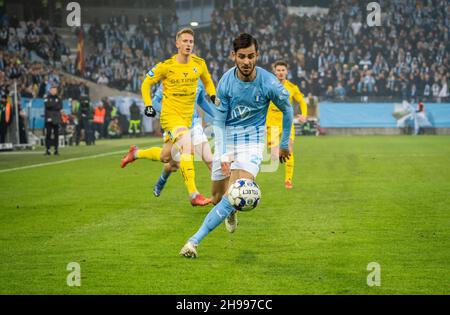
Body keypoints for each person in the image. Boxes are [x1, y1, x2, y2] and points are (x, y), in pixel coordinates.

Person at [179, 33, 294, 258]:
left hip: (252, 141)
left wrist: (283, 144)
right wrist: (222, 154)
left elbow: (288, 109)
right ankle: (231, 210)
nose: (247, 61)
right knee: (217, 198)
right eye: (242, 56)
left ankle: (193, 242)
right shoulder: (226, 82)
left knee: (236, 190)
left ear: (257, 55)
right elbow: (219, 121)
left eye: (251, 56)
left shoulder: (269, 82)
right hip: (227, 138)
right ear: (234, 56)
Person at [120, 28, 216, 206]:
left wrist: (213, 95)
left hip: (188, 119)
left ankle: (136, 153)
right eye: (185, 41)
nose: (188, 44)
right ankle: (193, 194)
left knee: (167, 157)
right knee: (187, 147)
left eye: (191, 42)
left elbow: (208, 81)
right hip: (171, 117)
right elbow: (146, 83)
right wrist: (149, 105)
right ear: (177, 43)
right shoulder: (166, 66)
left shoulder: (199, 64)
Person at [125, 81, 215, 198]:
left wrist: (216, 115)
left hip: (194, 125)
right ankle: (155, 173)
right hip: (175, 125)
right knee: (170, 162)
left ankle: (221, 201)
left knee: (210, 161)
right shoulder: (170, 77)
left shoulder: (198, 78)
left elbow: (201, 100)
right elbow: (155, 103)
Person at [266, 60, 308, 189]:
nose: (280, 72)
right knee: (274, 156)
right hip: (271, 123)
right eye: (278, 70)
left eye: (283, 70)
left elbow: (302, 102)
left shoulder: (292, 87)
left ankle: (288, 180)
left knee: (289, 151)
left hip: (286, 123)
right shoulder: (268, 85)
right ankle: (277, 153)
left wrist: (304, 115)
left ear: (286, 72)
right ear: (274, 71)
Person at [44, 84, 62, 155]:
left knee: (56, 134)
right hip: (48, 118)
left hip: (56, 119)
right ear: (50, 91)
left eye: (55, 90)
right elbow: (47, 105)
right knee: (48, 134)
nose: (54, 91)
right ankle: (47, 149)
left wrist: (52, 105)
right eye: (52, 90)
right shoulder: (46, 97)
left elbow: (60, 106)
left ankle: (56, 149)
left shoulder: (59, 98)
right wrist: (55, 105)